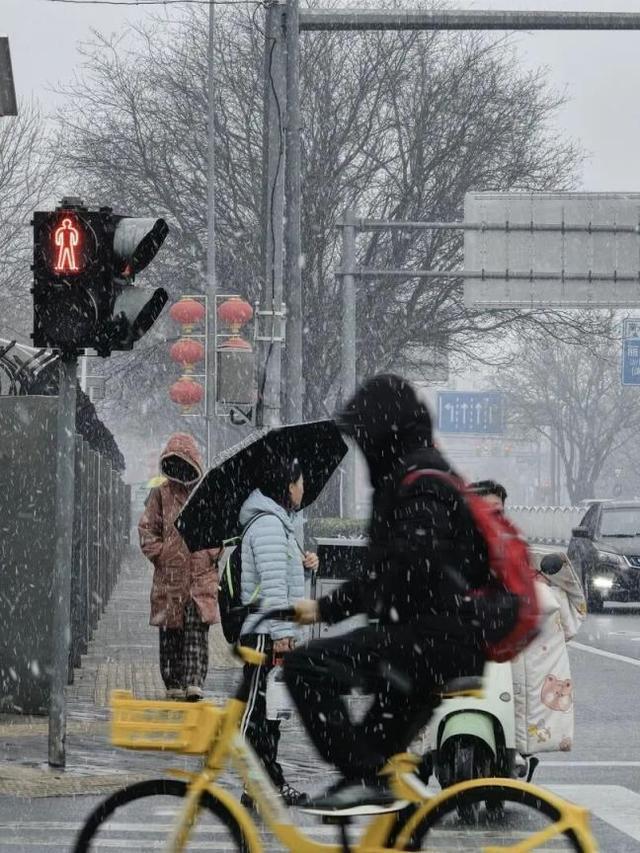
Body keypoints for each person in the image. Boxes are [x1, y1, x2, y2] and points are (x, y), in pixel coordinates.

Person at [283, 374, 518, 810]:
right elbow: (396, 571)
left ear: (383, 433)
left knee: (305, 667)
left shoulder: (419, 484)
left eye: (364, 436)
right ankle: (368, 785)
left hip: (429, 645)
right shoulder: (419, 474)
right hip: (437, 643)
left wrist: (323, 608)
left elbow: (404, 570)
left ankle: (363, 780)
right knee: (373, 768)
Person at [469, 479, 586, 777]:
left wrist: (545, 585)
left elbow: (569, 612)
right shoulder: (446, 553)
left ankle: (519, 749)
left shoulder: (523, 554)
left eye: (498, 510)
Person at [237, 457, 319, 808]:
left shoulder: (281, 524)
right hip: (264, 633)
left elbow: (285, 579)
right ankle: (262, 777)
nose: (304, 489)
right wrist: (283, 634)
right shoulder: (269, 526)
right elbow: (272, 588)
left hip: (271, 631)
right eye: (300, 482)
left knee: (271, 712)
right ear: (288, 486)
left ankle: (263, 781)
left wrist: (306, 562)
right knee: (257, 711)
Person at [138, 434, 221, 701]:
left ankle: (194, 682)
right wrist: (162, 555)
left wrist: (210, 553)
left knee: (196, 631)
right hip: (170, 577)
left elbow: (220, 530)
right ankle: (173, 681)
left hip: (200, 576)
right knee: (171, 631)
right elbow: (148, 528)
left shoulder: (207, 490)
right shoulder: (161, 493)